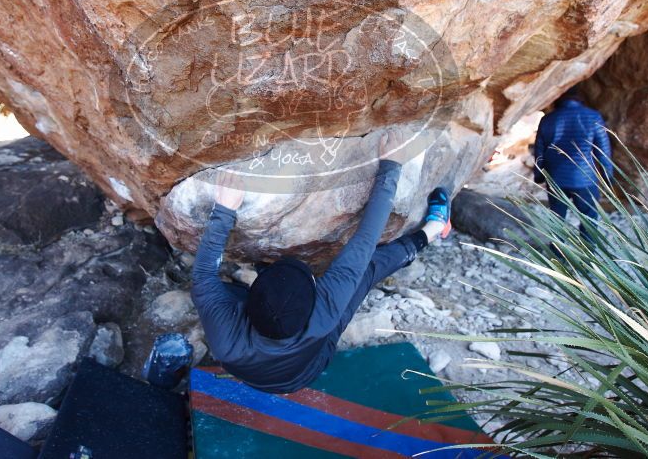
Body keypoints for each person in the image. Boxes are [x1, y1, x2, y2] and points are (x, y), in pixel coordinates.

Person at [191, 130, 452, 394]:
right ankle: (435, 228)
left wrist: (224, 210)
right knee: (368, 270)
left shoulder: (225, 335)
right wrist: (391, 166)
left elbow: (203, 274)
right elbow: (364, 242)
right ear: (316, 293)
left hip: (253, 373)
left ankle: (433, 228)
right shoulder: (324, 315)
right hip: (307, 369)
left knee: (221, 291)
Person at [533, 86, 613, 237]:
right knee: (589, 219)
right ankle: (587, 256)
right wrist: (608, 176)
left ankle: (557, 255)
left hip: (555, 178)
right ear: (580, 98)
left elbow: (539, 151)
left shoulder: (548, 119)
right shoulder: (593, 117)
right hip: (585, 179)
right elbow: (603, 151)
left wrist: (539, 175)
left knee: (557, 218)